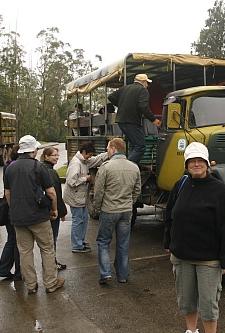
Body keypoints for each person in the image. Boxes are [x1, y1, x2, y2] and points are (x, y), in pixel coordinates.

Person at [163, 142, 225, 333]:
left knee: (208, 305)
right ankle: (191, 330)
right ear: (186, 164)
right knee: (186, 301)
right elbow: (170, 214)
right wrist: (168, 241)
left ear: (207, 164)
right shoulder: (181, 184)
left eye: (200, 161)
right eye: (191, 161)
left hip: (208, 260)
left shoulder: (219, 190)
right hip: (182, 257)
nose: (196, 164)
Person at [4, 135, 65, 294]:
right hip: (38, 216)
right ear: (33, 150)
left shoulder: (10, 168)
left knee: (24, 251)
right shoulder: (39, 167)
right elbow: (51, 192)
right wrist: (54, 210)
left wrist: (14, 209)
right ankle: (51, 283)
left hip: (18, 217)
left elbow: (7, 193)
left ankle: (31, 285)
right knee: (47, 248)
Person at [93, 138, 141, 284]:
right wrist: (129, 203)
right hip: (126, 210)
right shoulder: (134, 167)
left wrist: (97, 207)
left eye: (108, 148)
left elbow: (99, 191)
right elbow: (137, 189)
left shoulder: (106, 167)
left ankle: (105, 273)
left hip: (109, 210)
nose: (107, 151)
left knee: (103, 241)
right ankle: (122, 275)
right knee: (123, 242)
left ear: (113, 148)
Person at [63, 141, 108, 253]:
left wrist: (108, 153)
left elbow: (96, 160)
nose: (90, 157)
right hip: (75, 197)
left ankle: (80, 242)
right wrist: (86, 179)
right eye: (89, 155)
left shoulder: (84, 161)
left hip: (80, 197)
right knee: (78, 221)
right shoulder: (76, 163)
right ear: (84, 152)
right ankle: (76, 245)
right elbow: (71, 181)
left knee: (84, 218)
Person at [108, 73, 161, 164]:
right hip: (132, 121)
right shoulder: (142, 90)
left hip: (121, 121)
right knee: (140, 146)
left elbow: (111, 97)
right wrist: (153, 120)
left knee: (134, 145)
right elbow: (143, 106)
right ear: (143, 82)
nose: (147, 86)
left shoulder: (124, 88)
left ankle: (128, 164)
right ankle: (127, 167)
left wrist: (122, 104)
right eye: (147, 83)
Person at [0, 144, 21, 280]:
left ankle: (3, 268)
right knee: (17, 241)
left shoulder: (7, 166)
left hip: (10, 207)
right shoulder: (16, 167)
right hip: (15, 208)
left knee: (12, 239)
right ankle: (17, 272)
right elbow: (9, 191)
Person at [41, 146, 68, 270]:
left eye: (57, 155)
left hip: (42, 209)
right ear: (46, 156)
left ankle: (50, 263)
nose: (57, 157)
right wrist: (59, 211)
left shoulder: (42, 169)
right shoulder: (51, 172)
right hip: (51, 211)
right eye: (54, 155)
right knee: (52, 238)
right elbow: (55, 193)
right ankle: (52, 263)